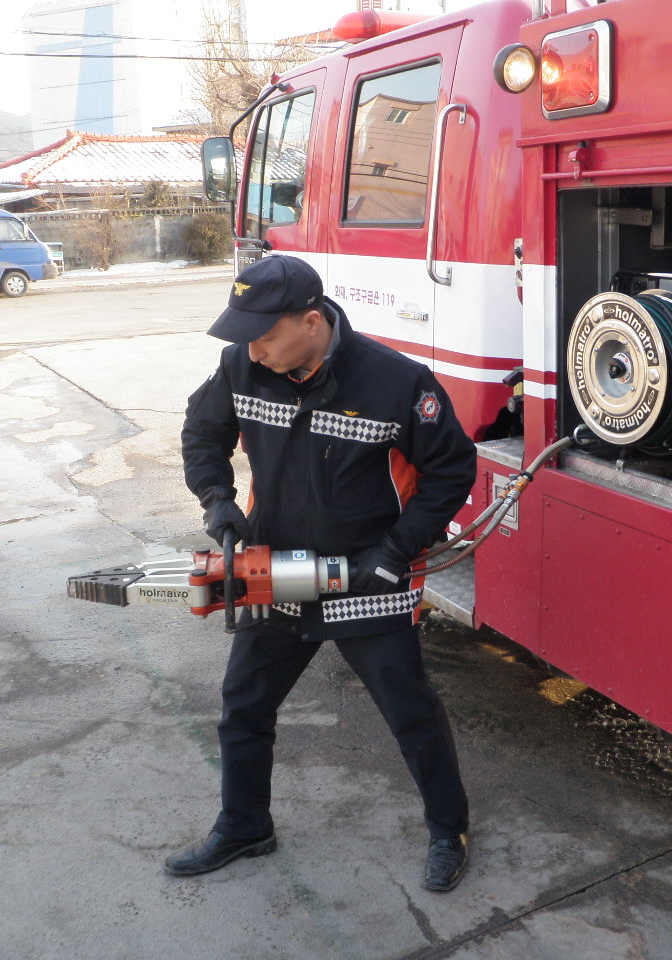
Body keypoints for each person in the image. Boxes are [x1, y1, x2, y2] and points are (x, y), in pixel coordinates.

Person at [168, 255, 476, 892]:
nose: (252, 350)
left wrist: (396, 550)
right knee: (244, 707)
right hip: (276, 574)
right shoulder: (241, 367)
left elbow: (452, 470)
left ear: (311, 323)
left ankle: (450, 830)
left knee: (411, 713)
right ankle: (245, 825)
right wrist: (217, 499)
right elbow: (203, 431)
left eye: (263, 335)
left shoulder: (396, 382)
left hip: (367, 580)